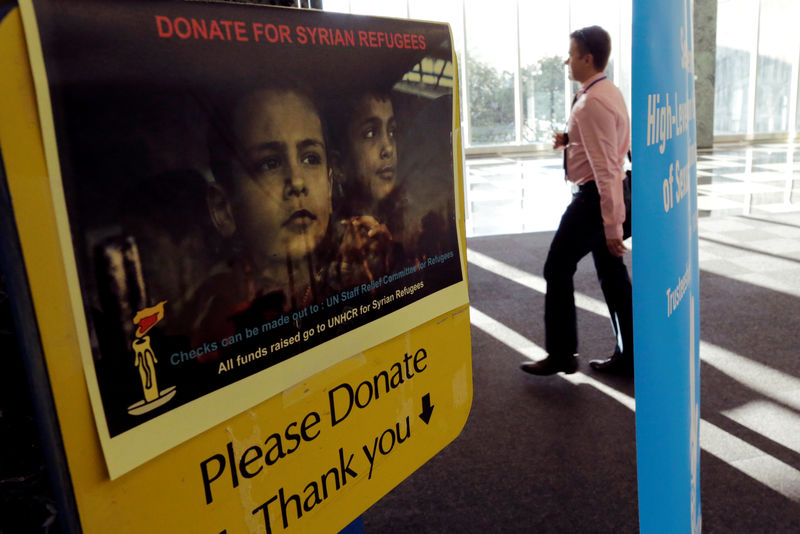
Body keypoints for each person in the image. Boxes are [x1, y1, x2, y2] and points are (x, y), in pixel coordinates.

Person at [520, 25, 633, 376]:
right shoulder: (605, 90)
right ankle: (631, 353)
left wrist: (612, 225)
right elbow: (609, 143)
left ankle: (562, 354)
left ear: (588, 58)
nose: (566, 61)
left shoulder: (591, 103)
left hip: (594, 201)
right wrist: (570, 139)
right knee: (611, 273)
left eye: (571, 54)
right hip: (606, 197)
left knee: (556, 267)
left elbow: (607, 169)